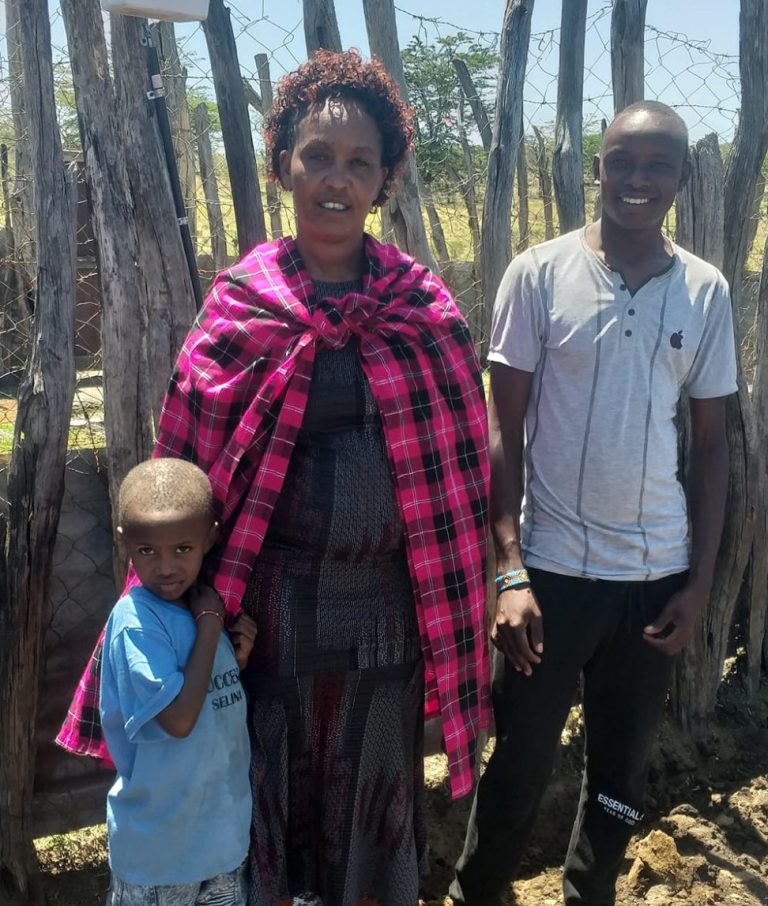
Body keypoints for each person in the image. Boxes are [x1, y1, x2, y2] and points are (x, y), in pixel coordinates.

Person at [60, 49, 491, 906]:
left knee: (373, 800)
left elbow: (460, 474)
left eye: (359, 161)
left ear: (388, 178)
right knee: (261, 805)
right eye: (316, 157)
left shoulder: (423, 307)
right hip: (270, 623)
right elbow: (183, 473)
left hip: (387, 623)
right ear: (281, 167)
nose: (337, 179)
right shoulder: (239, 307)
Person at [450, 101, 737, 906]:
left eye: (656, 166)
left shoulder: (705, 291)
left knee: (620, 770)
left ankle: (591, 894)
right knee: (521, 762)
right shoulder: (540, 274)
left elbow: (710, 448)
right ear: (597, 167)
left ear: (680, 179)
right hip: (553, 573)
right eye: (621, 161)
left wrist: (698, 583)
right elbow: (500, 429)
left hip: (656, 577)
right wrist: (509, 571)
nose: (636, 180)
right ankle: (480, 894)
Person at [100, 458, 251, 906]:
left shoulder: (198, 606)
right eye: (148, 551)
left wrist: (233, 653)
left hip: (220, 843)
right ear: (127, 544)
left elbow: (204, 693)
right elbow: (179, 720)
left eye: (182, 549)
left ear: (211, 539)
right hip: (159, 854)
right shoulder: (137, 623)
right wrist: (210, 627)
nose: (166, 567)